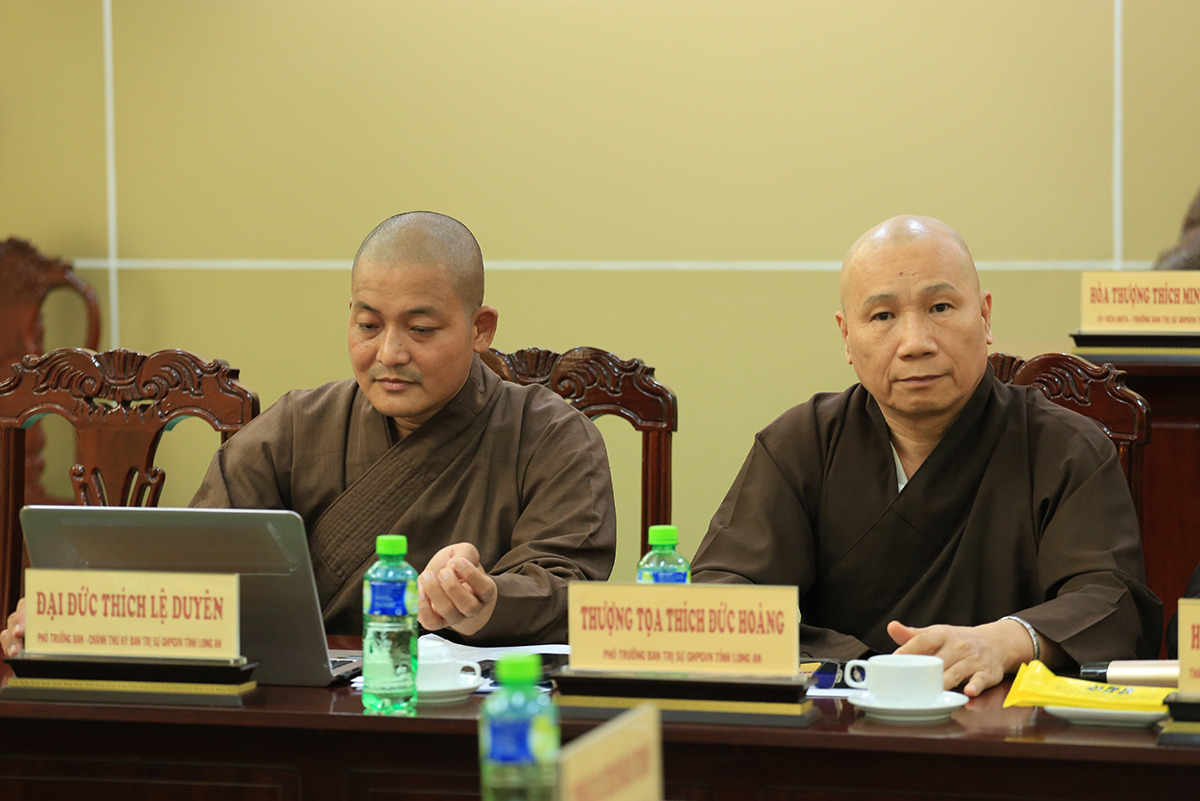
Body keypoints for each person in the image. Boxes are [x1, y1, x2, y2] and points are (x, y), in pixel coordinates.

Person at [1, 212, 616, 655]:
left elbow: (569, 587)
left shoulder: (553, 437)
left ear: (480, 328)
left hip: (466, 714)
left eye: (421, 329)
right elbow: (197, 559)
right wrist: (84, 615)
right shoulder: (299, 425)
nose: (389, 353)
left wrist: (486, 600)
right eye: (369, 325)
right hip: (299, 702)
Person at [691, 214, 1162, 696]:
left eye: (940, 307)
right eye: (882, 316)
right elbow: (720, 597)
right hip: (844, 714)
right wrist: (868, 668)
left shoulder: (1066, 447)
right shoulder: (803, 443)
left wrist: (1004, 642)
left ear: (985, 317)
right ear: (846, 336)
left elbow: (1112, 601)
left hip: (1009, 720)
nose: (915, 343)